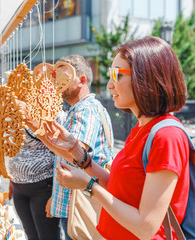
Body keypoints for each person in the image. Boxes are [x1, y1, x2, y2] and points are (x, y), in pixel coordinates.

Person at [42, 36, 190, 239]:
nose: (110, 85)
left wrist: (88, 185)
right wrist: (77, 151)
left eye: (116, 75)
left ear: (145, 76)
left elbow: (146, 228)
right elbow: (121, 188)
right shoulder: (142, 128)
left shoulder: (167, 135)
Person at [25, 55, 114, 239]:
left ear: (82, 80)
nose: (59, 83)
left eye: (65, 78)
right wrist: (55, 198)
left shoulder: (86, 108)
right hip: (72, 203)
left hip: (80, 203)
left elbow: (75, 155)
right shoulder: (79, 109)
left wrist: (34, 124)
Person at [8, 112, 66, 240]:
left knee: (47, 237)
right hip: (18, 186)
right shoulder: (16, 109)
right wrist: (11, 177)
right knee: (31, 236)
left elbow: (63, 155)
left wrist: (56, 193)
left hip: (43, 187)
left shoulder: (53, 111)